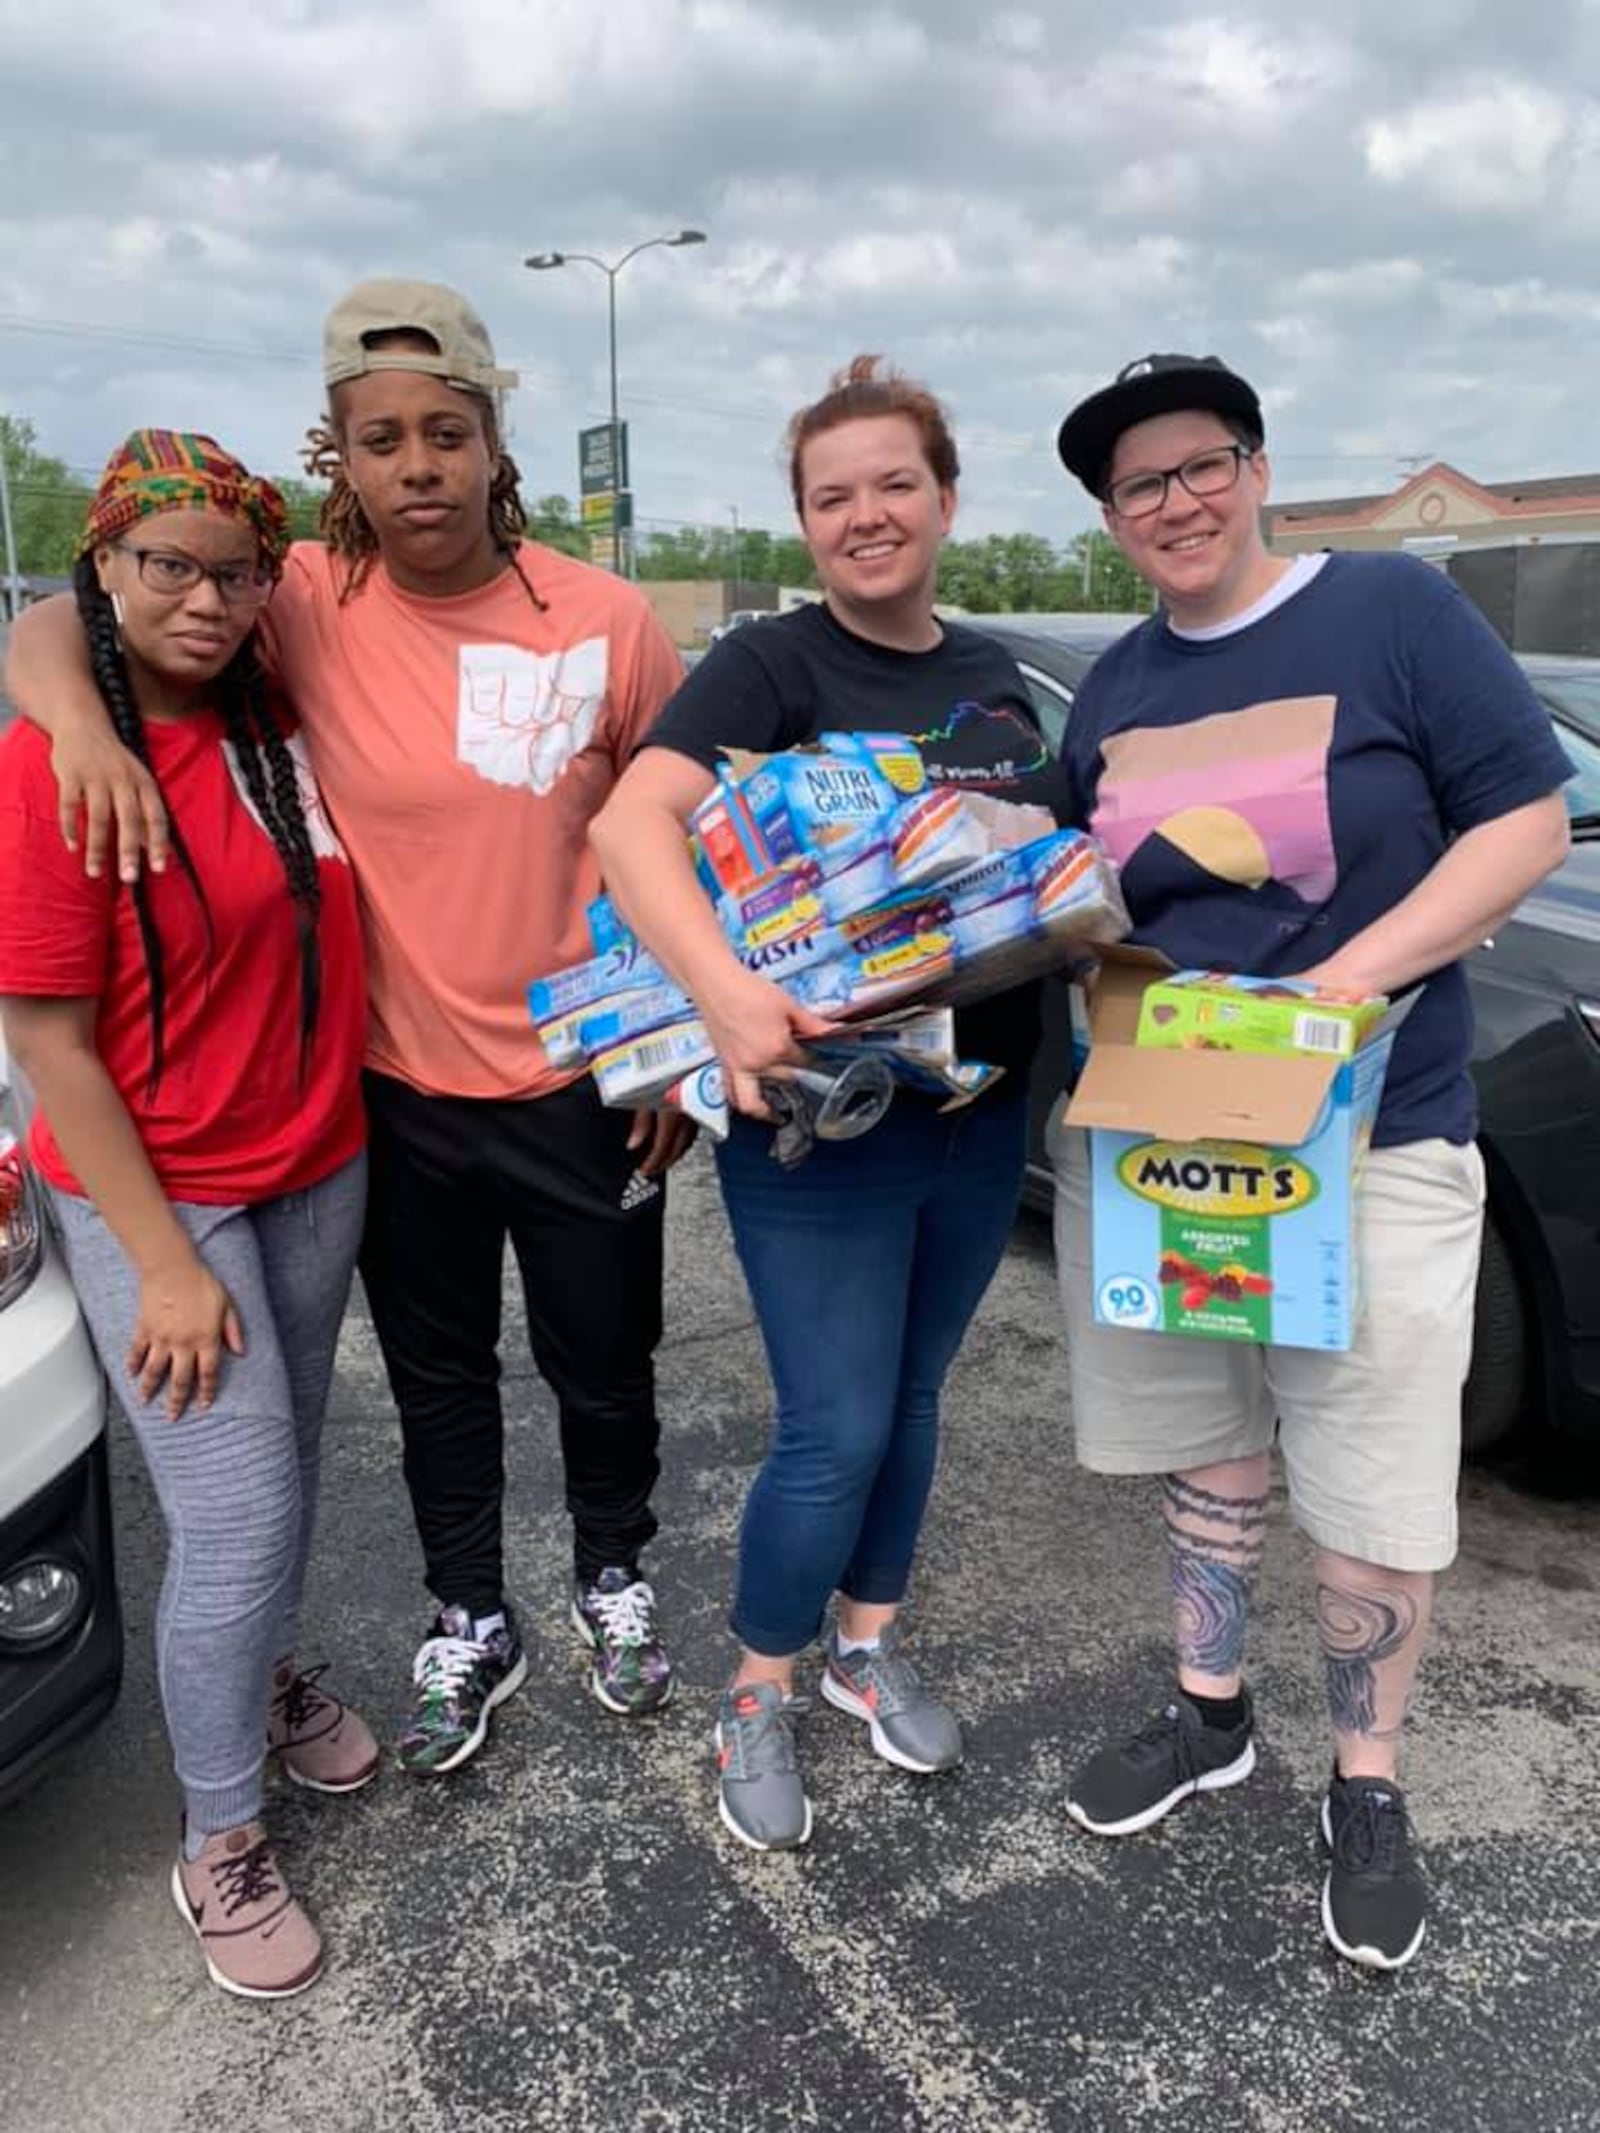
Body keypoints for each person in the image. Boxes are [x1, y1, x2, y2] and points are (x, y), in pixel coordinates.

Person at [4, 281, 693, 1777]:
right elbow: (72, 606)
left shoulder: (612, 618)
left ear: (493, 435)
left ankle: (614, 1573)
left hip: (585, 1077)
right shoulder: (300, 596)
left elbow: (678, 829)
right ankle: (468, 1610)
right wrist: (69, 723)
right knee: (438, 1377)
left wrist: (672, 1040)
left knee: (605, 1355)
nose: (418, 464)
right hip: (396, 1094)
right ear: (342, 454)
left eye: (446, 430)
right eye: (382, 439)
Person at [1048, 352, 1573, 1969]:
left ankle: (1368, 1778)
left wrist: (1348, 983)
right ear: (1115, 521)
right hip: (1175, 1145)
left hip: (1377, 1134)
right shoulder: (1123, 683)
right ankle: (1211, 1711)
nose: (1177, 502)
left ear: (1257, 467)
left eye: (1201, 465)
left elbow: (1527, 821)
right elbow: (1094, 893)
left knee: (1373, 1472)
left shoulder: (1396, 615)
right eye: (1140, 487)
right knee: (1211, 1443)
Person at [591, 356, 1064, 1849]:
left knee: (914, 1398)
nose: (867, 516)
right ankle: (759, 1685)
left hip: (983, 1114)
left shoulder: (992, 676)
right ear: (804, 518)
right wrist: (732, 1000)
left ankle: (865, 1645)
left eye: (893, 485)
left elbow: (1045, 873)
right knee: (832, 1424)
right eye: (832, 494)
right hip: (824, 1120)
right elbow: (626, 826)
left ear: (946, 495)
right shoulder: (773, 668)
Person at [0, 431, 374, 1998]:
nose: (207, 598)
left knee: (282, 1471)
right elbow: (45, 1042)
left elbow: (44, 627)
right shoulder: (57, 766)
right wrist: (158, 1263)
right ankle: (216, 1829)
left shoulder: (269, 710)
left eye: (235, 570)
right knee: (232, 1513)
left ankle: (259, 1676)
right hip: (167, 1197)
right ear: (103, 564)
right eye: (167, 564)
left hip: (315, 1161)